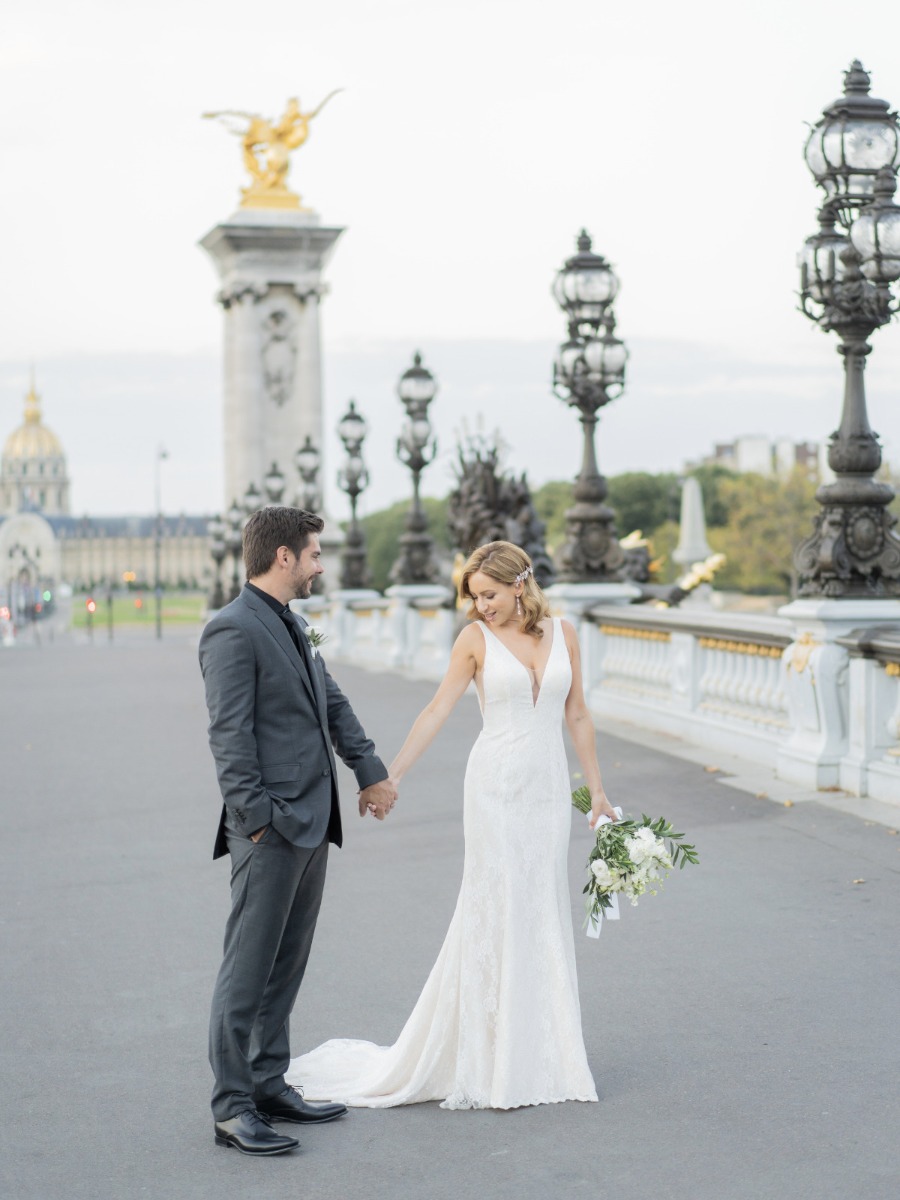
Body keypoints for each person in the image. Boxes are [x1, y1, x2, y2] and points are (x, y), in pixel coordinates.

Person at [287, 540, 617, 1110]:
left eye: (489, 595)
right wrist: (389, 777)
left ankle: (544, 1052)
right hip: (493, 788)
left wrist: (598, 793)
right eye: (474, 597)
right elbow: (437, 708)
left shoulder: (564, 634)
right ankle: (490, 1056)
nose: (481, 606)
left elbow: (578, 713)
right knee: (495, 903)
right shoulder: (473, 641)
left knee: (540, 904)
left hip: (545, 789)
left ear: (520, 585)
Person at [199, 506, 397, 1155]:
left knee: (285, 964)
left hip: (313, 820)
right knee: (246, 972)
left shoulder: (294, 621)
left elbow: (331, 702)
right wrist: (256, 823)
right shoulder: (230, 630)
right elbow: (229, 738)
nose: (319, 565)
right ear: (283, 556)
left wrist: (370, 771)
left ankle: (267, 1082)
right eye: (314, 554)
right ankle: (231, 1107)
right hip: (272, 828)